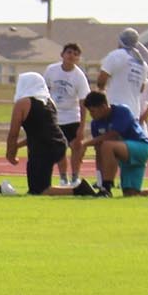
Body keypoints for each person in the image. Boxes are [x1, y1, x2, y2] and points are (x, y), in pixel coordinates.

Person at [4, 71, 67, 197]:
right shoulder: (50, 102)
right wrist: (17, 146)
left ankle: (79, 189)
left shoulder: (23, 103)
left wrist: (11, 153)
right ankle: (75, 189)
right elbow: (40, 131)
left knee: (40, 190)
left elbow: (13, 133)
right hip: (58, 144)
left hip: (42, 148)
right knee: (36, 187)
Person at [80, 91, 148, 197]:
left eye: (93, 111)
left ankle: (107, 188)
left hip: (140, 147)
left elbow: (113, 135)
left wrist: (85, 144)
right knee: (131, 194)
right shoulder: (95, 123)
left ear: (103, 107)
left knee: (107, 145)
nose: (91, 115)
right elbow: (99, 152)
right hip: (125, 156)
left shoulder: (121, 111)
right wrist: (99, 178)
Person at [45, 42, 92, 187]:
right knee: (60, 148)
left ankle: (75, 177)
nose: (72, 56)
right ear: (63, 55)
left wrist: (82, 127)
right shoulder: (51, 70)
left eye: (75, 54)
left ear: (78, 58)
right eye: (69, 52)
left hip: (72, 117)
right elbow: (44, 92)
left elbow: (84, 102)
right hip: (55, 117)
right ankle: (63, 178)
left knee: (76, 147)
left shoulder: (79, 76)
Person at [95, 27, 148, 128]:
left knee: (110, 141)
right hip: (134, 112)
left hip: (115, 110)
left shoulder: (115, 56)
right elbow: (141, 88)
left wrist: (102, 91)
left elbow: (101, 81)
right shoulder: (142, 63)